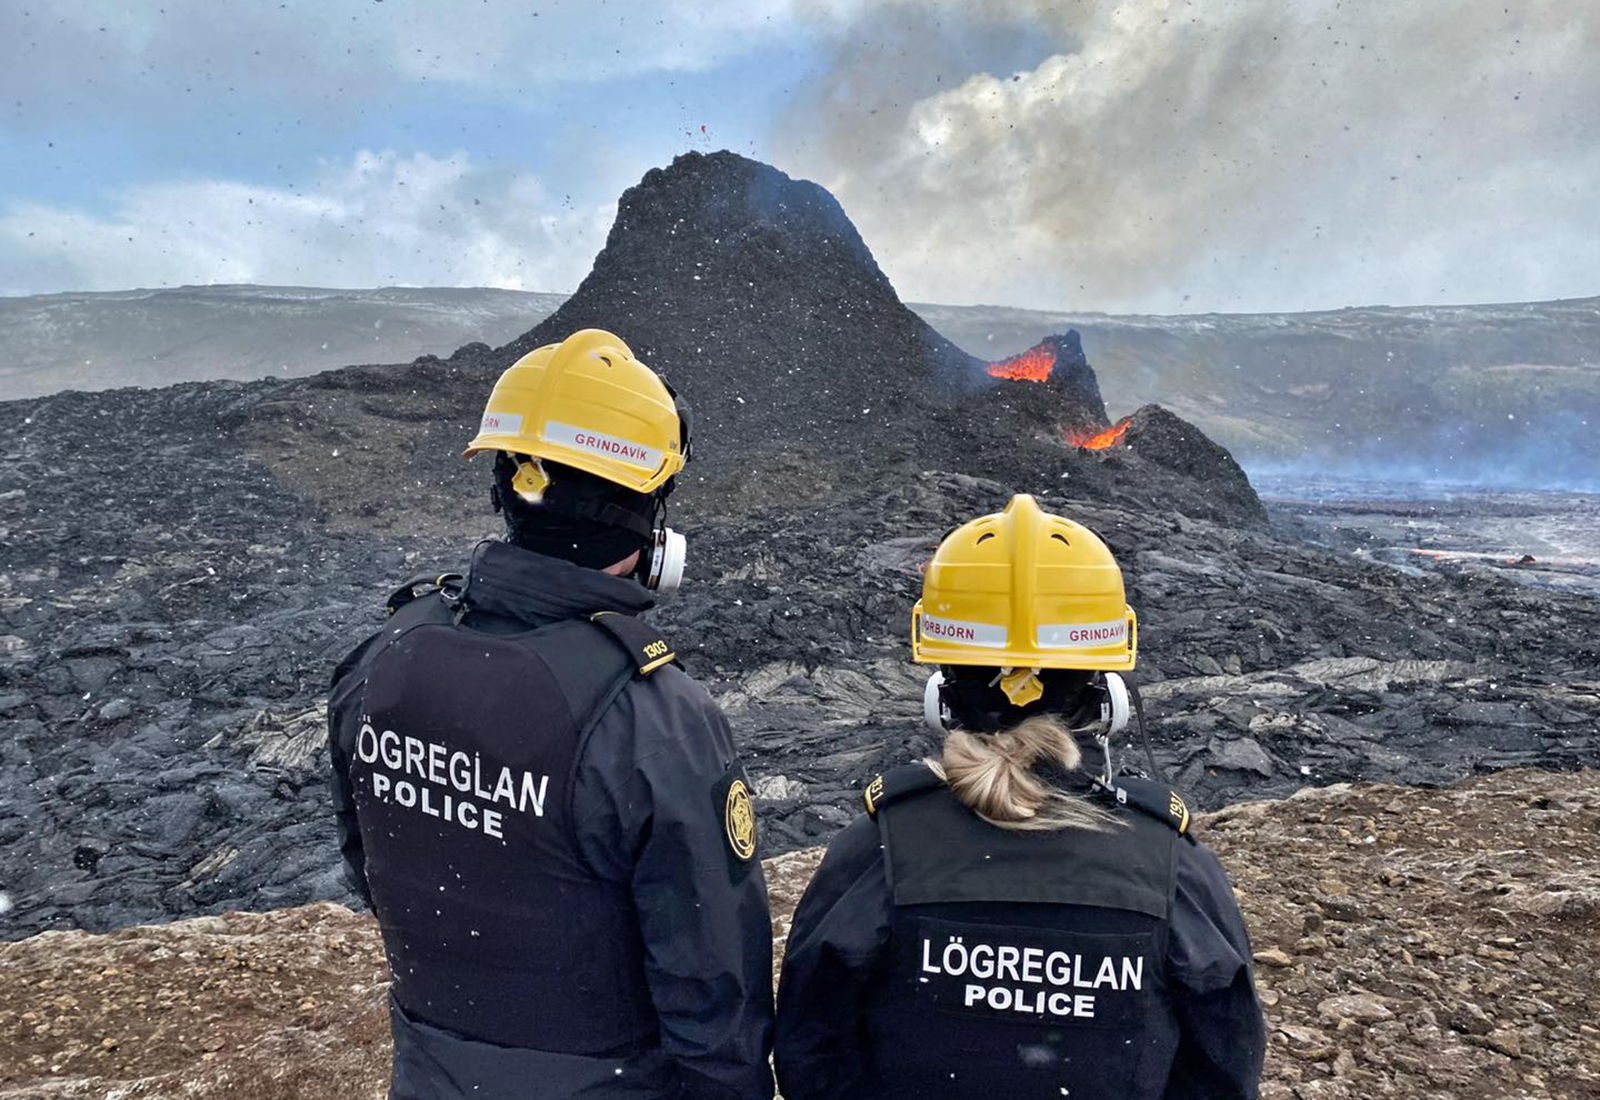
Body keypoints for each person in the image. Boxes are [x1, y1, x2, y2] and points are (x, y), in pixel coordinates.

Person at [328, 329, 774, 1100]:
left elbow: (371, 866)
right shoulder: (652, 719)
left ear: (503, 487)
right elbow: (710, 978)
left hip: (432, 1070)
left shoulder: (383, 656)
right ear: (648, 519)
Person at [774, 494, 1264, 1100]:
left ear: (941, 693)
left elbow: (811, 1052)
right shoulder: (1171, 865)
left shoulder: (876, 851)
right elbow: (1222, 1068)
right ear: (1105, 697)